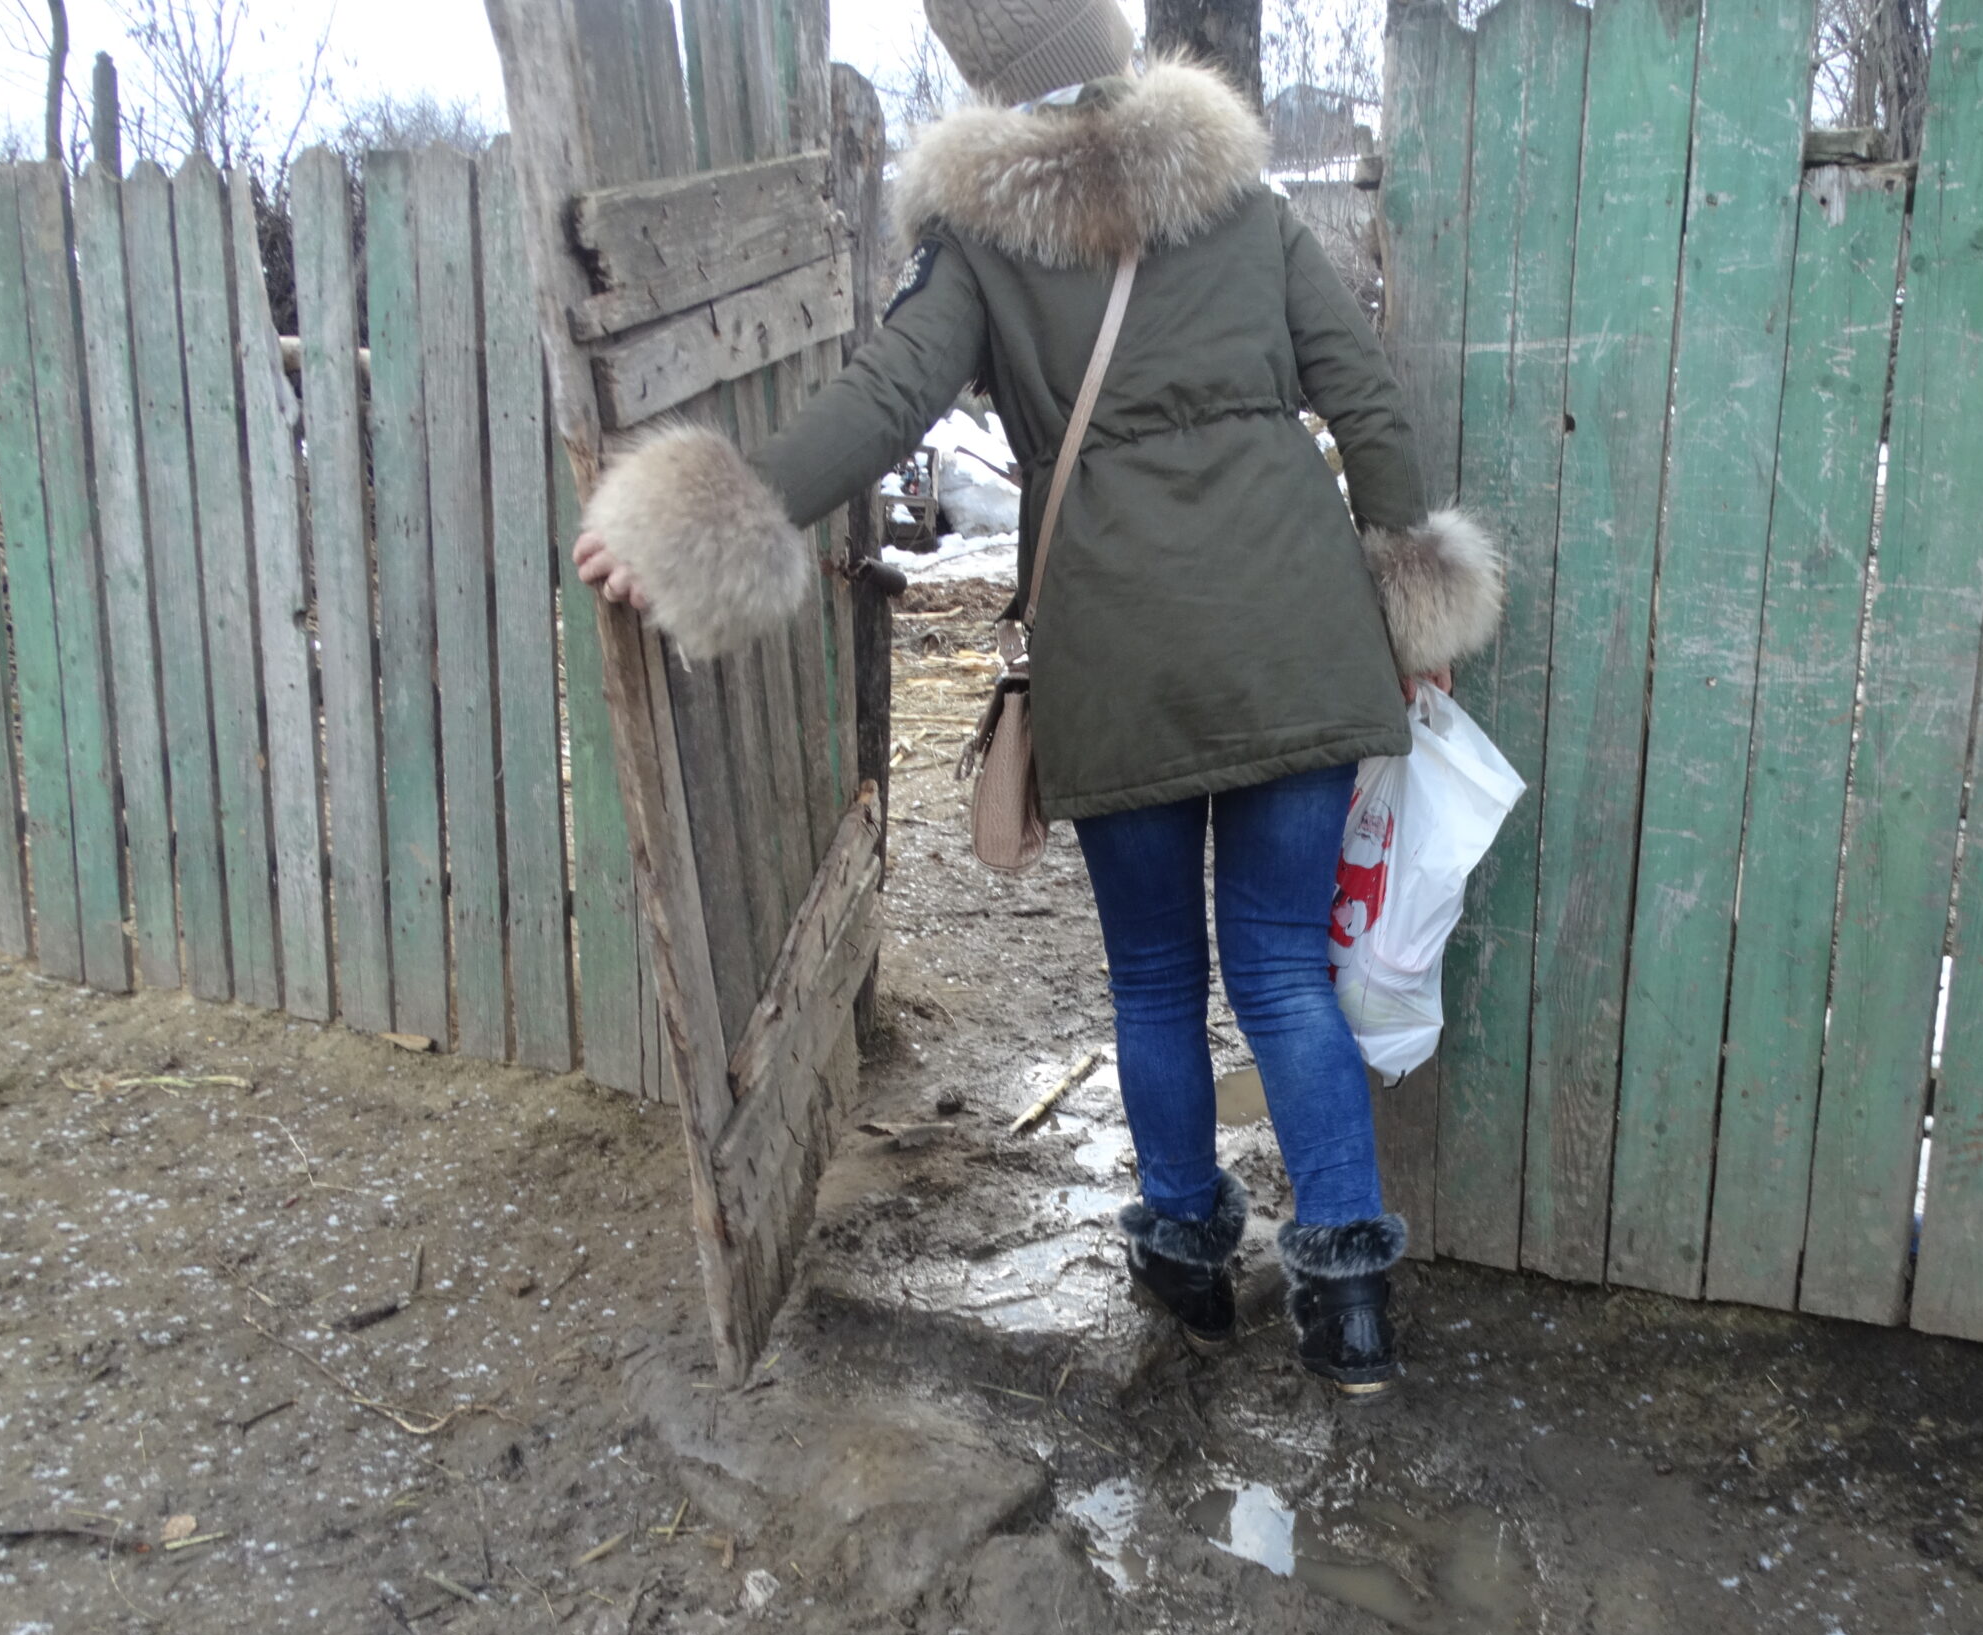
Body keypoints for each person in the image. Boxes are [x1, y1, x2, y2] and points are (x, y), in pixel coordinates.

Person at [570, 0, 1502, 1395]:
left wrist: (711, 522)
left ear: (983, 78)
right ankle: (1350, 1301)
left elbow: (885, 403)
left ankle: (1187, 1261)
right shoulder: (1243, 202)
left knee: (1154, 979)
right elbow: (1363, 399)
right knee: (1284, 976)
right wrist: (1410, 592)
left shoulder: (983, 237)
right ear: (1113, 39)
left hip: (1119, 651)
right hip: (1294, 635)